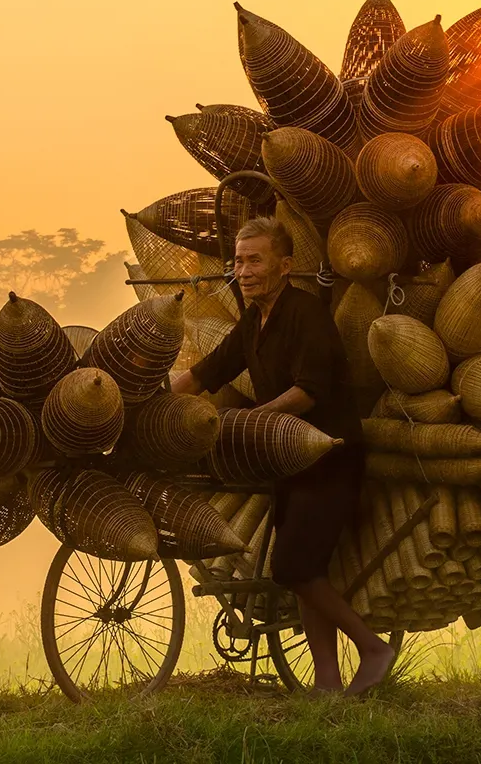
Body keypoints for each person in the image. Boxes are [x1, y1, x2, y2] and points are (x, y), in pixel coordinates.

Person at [169, 215, 395, 695]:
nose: (244, 271)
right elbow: (208, 371)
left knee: (293, 568)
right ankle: (328, 684)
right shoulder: (254, 321)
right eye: (238, 261)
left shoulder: (305, 314)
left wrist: (256, 421)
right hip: (288, 463)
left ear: (285, 265)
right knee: (306, 572)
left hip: (330, 459)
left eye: (255, 260)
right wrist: (150, 400)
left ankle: (374, 649)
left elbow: (309, 392)